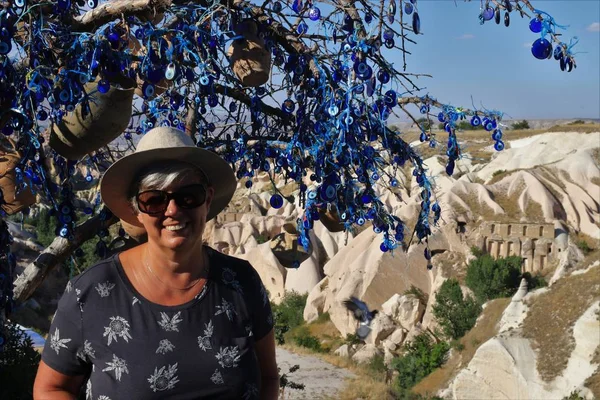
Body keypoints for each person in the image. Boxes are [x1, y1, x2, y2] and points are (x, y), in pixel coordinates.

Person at [33, 127, 279, 399]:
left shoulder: (241, 282)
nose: (173, 210)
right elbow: (50, 388)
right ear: (137, 209)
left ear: (207, 199)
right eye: (154, 200)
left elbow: (268, 376)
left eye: (188, 196)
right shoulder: (90, 293)